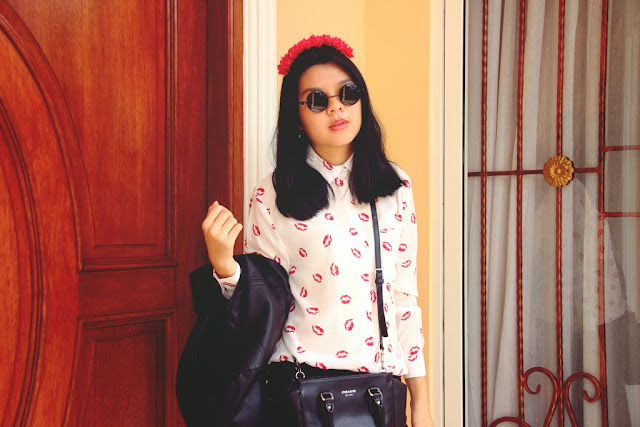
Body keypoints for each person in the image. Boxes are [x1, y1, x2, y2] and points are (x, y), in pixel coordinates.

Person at [202, 34, 434, 427]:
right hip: (302, 395)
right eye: (316, 100)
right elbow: (266, 303)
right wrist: (225, 266)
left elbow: (403, 300)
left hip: (380, 393)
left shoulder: (395, 186)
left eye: (348, 93)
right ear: (296, 116)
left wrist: (421, 403)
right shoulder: (272, 194)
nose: (336, 107)